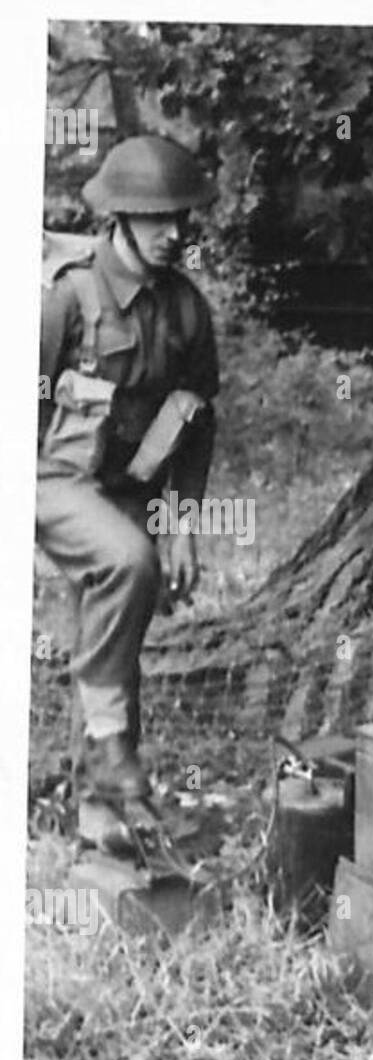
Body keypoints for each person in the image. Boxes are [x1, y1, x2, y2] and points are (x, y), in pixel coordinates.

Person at [38, 134, 219, 817]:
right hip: (51, 476)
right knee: (127, 561)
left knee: (120, 624)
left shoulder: (186, 310)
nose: (173, 234)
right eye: (155, 219)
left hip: (129, 486)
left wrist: (183, 525)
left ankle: (105, 809)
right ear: (119, 216)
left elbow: (196, 418)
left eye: (181, 219)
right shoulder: (68, 301)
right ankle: (112, 748)